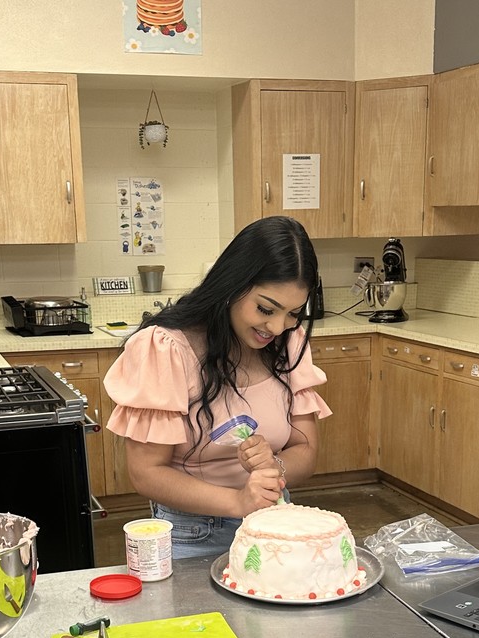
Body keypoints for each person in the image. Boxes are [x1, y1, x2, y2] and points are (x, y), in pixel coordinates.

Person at [103, 215, 331, 559]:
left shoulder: (288, 342)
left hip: (272, 525)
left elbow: (306, 450)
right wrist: (238, 501)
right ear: (233, 285)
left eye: (293, 313)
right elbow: (147, 473)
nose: (277, 326)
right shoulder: (167, 347)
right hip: (193, 535)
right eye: (266, 309)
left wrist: (272, 467)